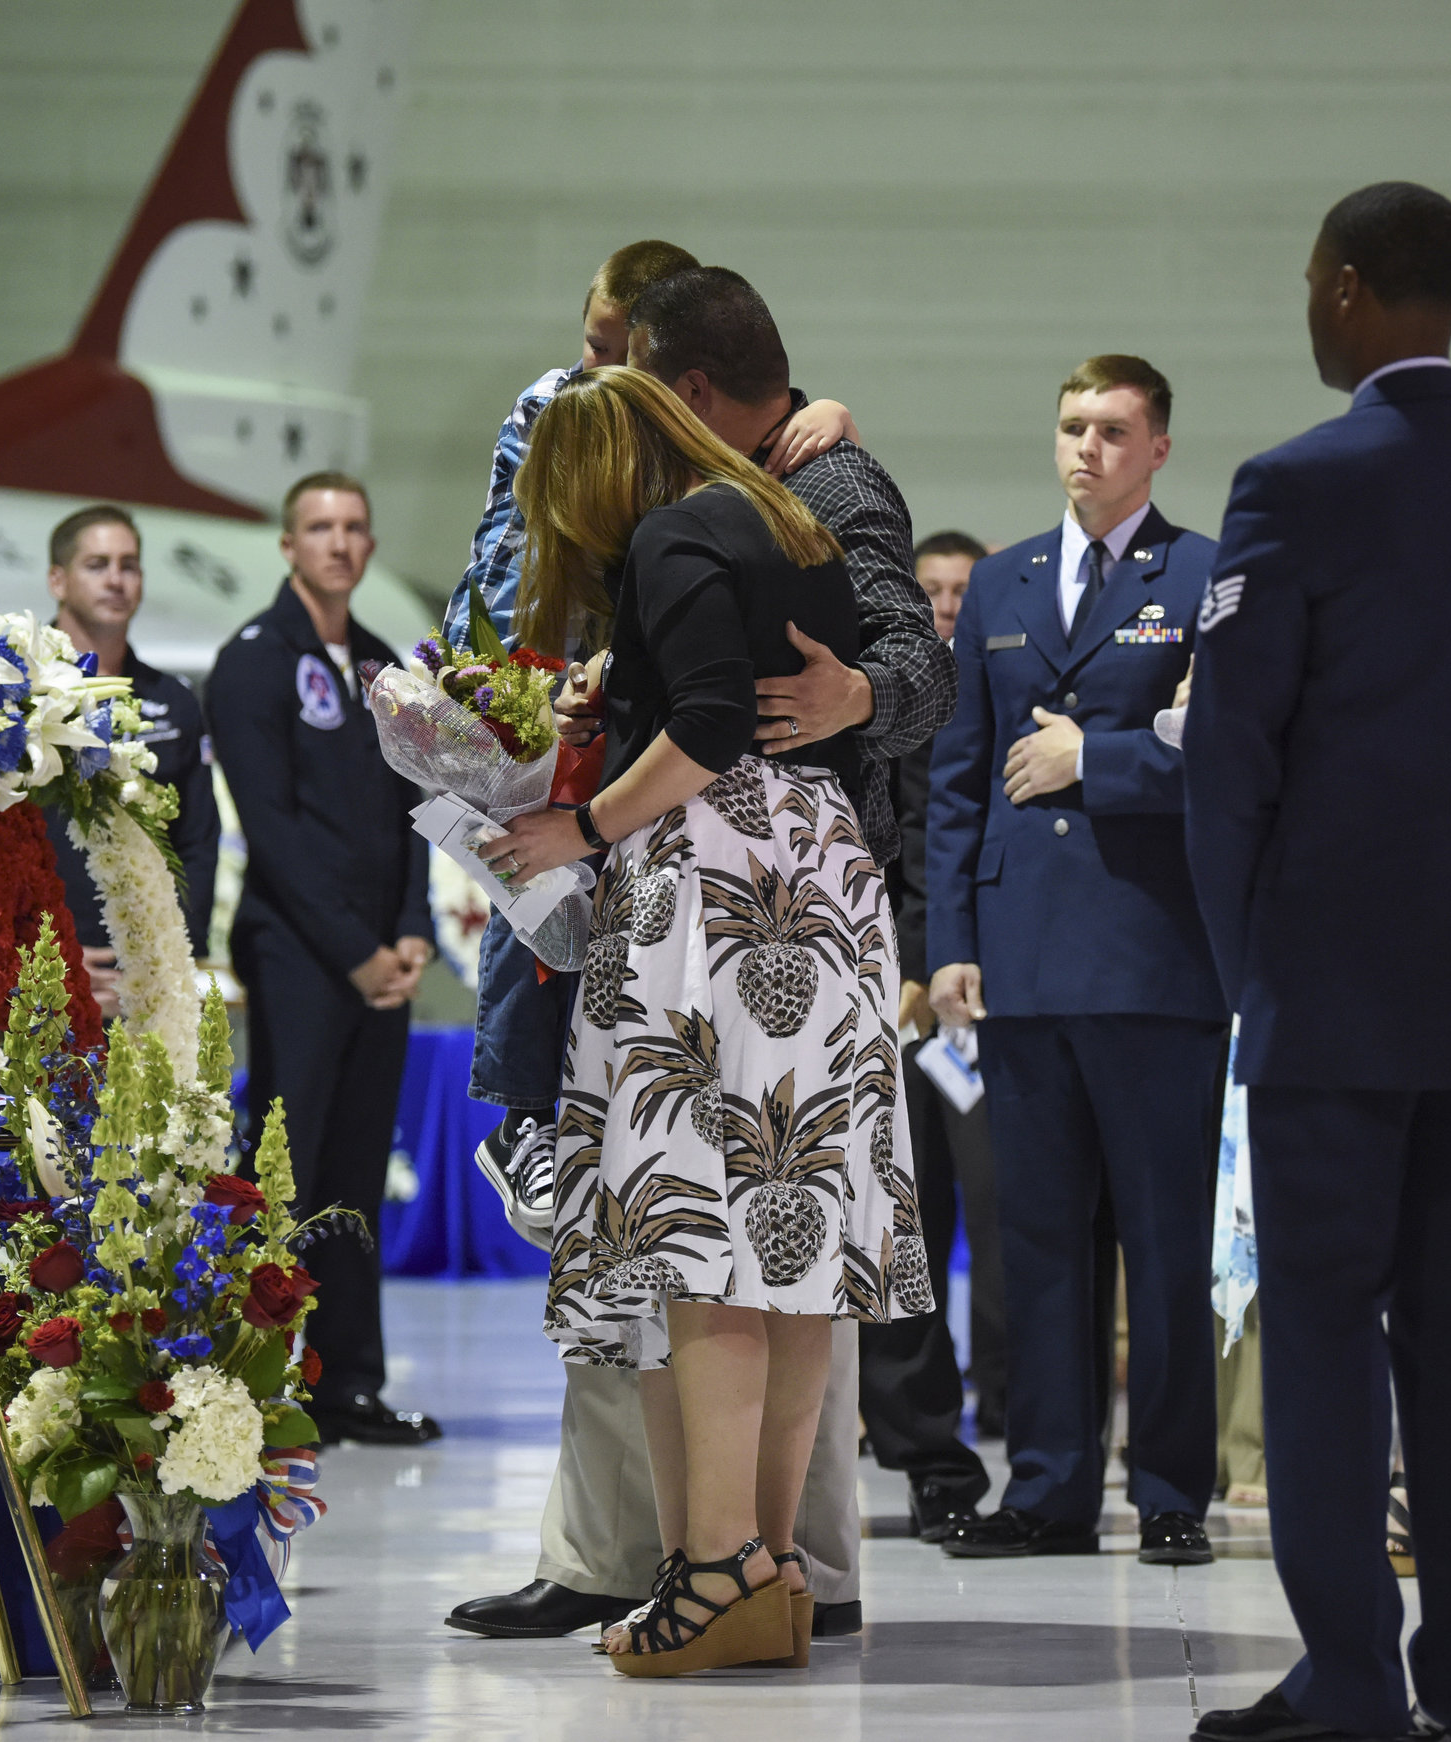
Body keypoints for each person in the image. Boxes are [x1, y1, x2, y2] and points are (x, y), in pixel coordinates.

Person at [1181, 183, 1451, 1742]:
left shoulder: (1295, 484)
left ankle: (1351, 1677)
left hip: (1330, 975)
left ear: (1352, 289)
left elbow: (1233, 753)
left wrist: (1251, 964)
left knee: (1324, 1331)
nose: (1310, 305)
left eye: (1313, 281)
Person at [441, 248, 873, 1644]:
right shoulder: (784, 517)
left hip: (714, 902)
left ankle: (711, 1566)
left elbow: (709, 722)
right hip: (816, 888)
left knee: (697, 1239)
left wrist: (578, 823)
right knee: (790, 1249)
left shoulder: (679, 535)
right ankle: (770, 1567)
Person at [467, 240, 856, 1229]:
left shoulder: (699, 515)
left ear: (675, 377)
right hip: (643, 741)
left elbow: (711, 716)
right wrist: (536, 692)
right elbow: (511, 586)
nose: (596, 369)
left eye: (618, 354)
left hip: (700, 811)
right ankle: (528, 1111)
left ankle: (593, 1133)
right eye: (591, 346)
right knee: (537, 850)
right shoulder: (575, 418)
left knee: (704, 1166)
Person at [927, 355, 1225, 1568]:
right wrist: (950, 943)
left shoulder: (1205, 577)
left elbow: (1233, 758)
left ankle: (1171, 1489)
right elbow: (956, 778)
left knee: (1162, 1240)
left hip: (1152, 952)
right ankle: (1047, 1487)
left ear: (1158, 448)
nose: (1085, 448)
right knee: (1038, 1239)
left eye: (1111, 429)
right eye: (1070, 427)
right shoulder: (1000, 579)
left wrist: (1094, 758)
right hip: (1023, 955)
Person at [205, 471, 439, 1447]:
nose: (339, 543)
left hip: (384, 958)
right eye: (319, 527)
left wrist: (413, 928)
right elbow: (271, 830)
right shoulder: (253, 661)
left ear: (369, 545)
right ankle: (251, 1382)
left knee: (354, 1171)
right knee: (283, 1171)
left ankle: (348, 1380)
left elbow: (419, 804)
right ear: (288, 545)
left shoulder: (384, 665)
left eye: (352, 527)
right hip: (301, 955)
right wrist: (355, 953)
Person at [858, 529, 1000, 1538]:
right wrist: (908, 969)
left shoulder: (1002, 680)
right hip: (895, 995)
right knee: (902, 1229)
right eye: (933, 590)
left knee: (1002, 1222)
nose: (947, 607)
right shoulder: (890, 691)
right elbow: (907, 838)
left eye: (963, 590)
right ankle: (920, 1442)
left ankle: (1022, 1416)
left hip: (991, 993)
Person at [39, 505, 221, 1015]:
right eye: (97, 565)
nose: (116, 580)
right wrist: (45, 953)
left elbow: (198, 840)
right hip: (38, 971)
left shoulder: (173, 701)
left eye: (130, 565)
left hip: (149, 977)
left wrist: (166, 956)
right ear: (58, 580)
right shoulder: (11, 693)